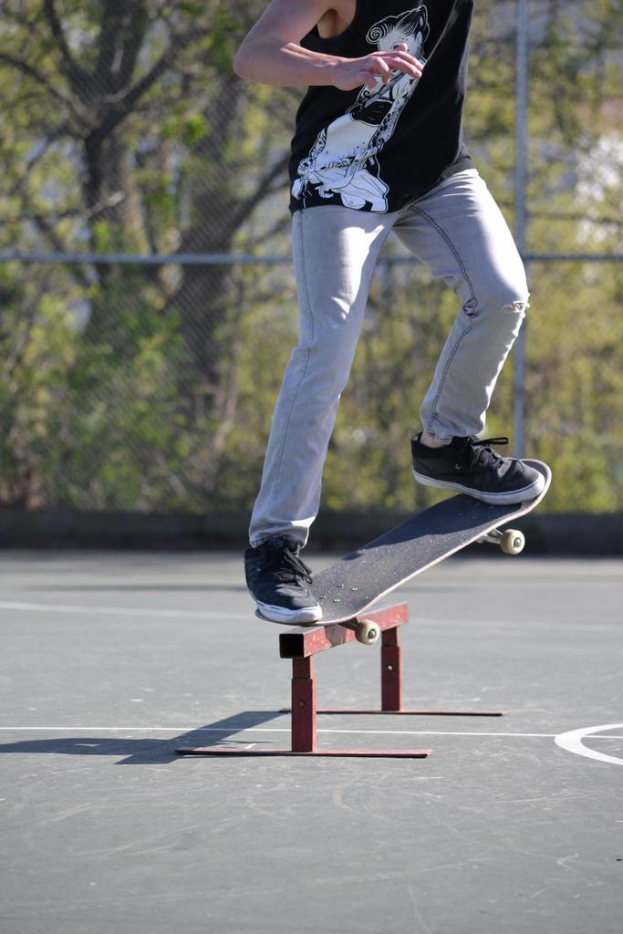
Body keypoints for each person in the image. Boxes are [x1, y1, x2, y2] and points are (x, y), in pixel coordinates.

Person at [234, 0, 545, 624]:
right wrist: (339, 68)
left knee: (501, 291)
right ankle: (274, 545)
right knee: (327, 347)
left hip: (436, 173)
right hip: (337, 174)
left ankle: (446, 444)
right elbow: (254, 55)